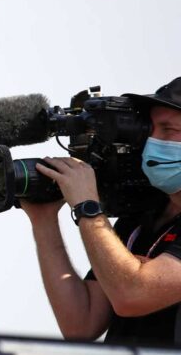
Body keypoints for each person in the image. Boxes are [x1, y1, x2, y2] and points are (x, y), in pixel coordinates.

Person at [22, 76, 181, 347]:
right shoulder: (142, 217)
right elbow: (80, 324)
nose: (152, 140)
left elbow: (132, 296)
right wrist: (44, 220)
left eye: (169, 130)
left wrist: (88, 208)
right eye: (151, 128)